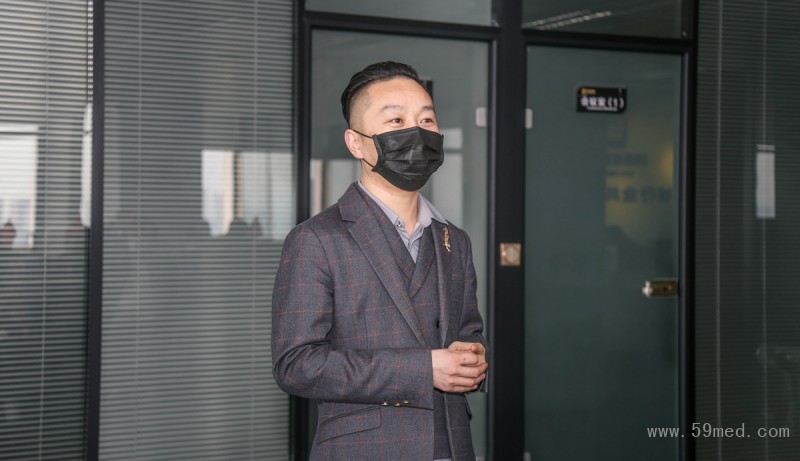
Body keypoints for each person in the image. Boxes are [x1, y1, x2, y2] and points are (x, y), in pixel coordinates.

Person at [271, 61, 488, 461]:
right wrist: (424, 370)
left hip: (452, 445)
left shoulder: (454, 240)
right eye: (396, 121)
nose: (417, 132)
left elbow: (469, 332)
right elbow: (296, 365)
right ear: (356, 144)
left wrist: (471, 359)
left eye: (426, 119)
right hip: (364, 448)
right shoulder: (316, 239)